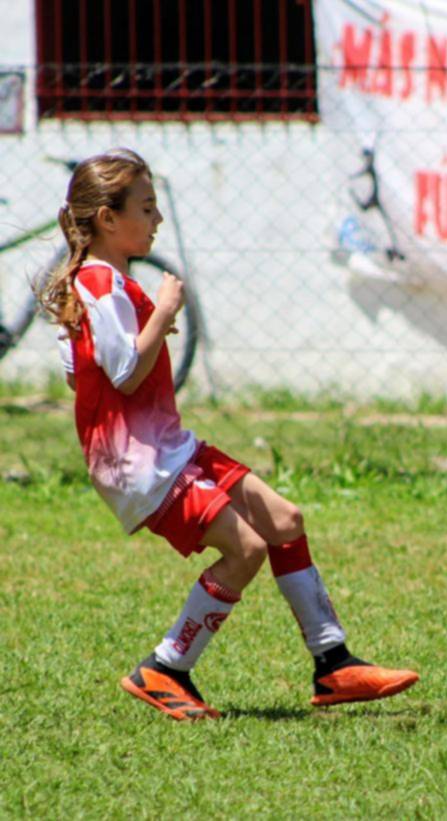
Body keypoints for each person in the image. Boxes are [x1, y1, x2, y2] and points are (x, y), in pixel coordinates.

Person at [39, 148, 419, 721]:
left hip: (169, 447)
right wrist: (164, 313)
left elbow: (79, 372)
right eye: (147, 207)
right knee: (246, 549)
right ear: (109, 219)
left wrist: (139, 330)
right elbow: (124, 373)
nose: (157, 218)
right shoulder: (101, 283)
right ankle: (165, 668)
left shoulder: (100, 282)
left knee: (283, 520)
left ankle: (333, 663)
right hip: (142, 465)